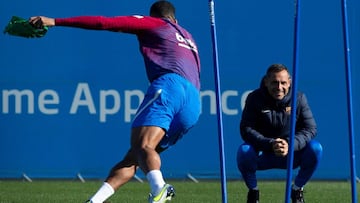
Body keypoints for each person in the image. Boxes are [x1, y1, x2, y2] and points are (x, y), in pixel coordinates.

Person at [29, 1, 201, 202]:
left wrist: (55, 21)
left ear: (154, 17)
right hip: (193, 103)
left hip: (171, 87)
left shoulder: (154, 24)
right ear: (175, 19)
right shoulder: (187, 36)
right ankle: (94, 201)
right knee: (135, 157)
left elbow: (104, 23)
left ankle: (160, 188)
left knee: (143, 146)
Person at [236, 64, 323, 203]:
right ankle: (253, 192)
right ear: (266, 82)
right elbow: (246, 129)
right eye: (274, 82)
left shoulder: (299, 98)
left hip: (292, 153)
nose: (279, 87)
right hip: (264, 152)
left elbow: (310, 129)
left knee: (315, 148)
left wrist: (290, 144)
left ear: (289, 82)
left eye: (283, 83)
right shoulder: (254, 98)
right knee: (244, 151)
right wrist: (270, 144)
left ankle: (297, 190)